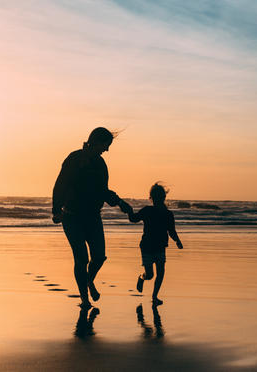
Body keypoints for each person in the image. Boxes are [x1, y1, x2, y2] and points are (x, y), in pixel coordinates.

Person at [52, 127, 132, 308]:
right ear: (96, 142)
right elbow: (61, 184)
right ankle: (84, 299)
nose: (107, 149)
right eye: (106, 145)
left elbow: (103, 191)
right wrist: (56, 209)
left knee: (99, 257)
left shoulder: (101, 164)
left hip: (93, 218)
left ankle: (89, 281)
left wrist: (119, 202)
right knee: (81, 259)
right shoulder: (73, 159)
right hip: (72, 218)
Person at [127, 182, 183, 305]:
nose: (157, 200)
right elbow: (133, 219)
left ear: (163, 198)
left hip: (160, 247)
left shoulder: (168, 214)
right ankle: (141, 278)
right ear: (152, 198)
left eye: (159, 197)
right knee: (150, 275)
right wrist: (129, 211)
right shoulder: (147, 210)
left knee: (161, 272)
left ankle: (154, 296)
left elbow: (171, 231)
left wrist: (177, 240)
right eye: (156, 197)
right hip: (147, 247)